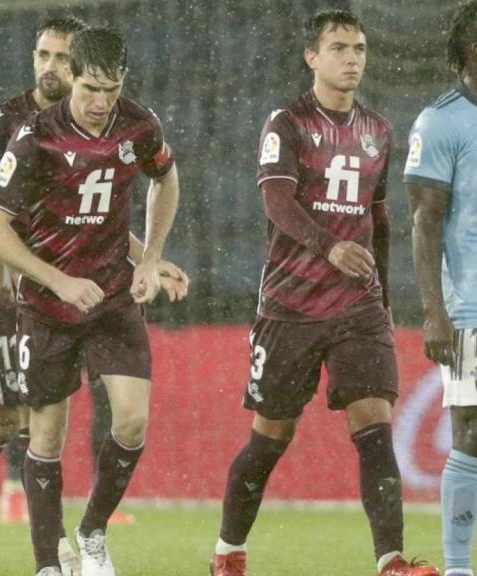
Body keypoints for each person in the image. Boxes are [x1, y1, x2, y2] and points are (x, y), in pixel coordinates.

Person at [0, 16, 189, 576]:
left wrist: (149, 258)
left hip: (104, 291)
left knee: (98, 419)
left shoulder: (136, 125)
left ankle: (78, 538)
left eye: (109, 90)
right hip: (28, 292)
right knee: (18, 418)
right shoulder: (23, 130)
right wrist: (32, 277)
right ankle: (30, 555)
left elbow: (136, 194)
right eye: (89, 87)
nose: (98, 100)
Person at [209, 10, 439, 576]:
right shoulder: (285, 123)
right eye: (338, 48)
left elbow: (378, 218)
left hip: (357, 309)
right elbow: (277, 204)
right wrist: (327, 245)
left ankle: (390, 562)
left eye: (359, 47)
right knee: (270, 438)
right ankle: (227, 554)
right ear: (312, 56)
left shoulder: (379, 130)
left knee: (375, 425)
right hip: (289, 306)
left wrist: (380, 296)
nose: (352, 58)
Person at [405, 3, 477, 575]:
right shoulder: (440, 123)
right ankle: (456, 567)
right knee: (471, 431)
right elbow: (425, 224)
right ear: (464, 55)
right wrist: (435, 314)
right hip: (470, 306)